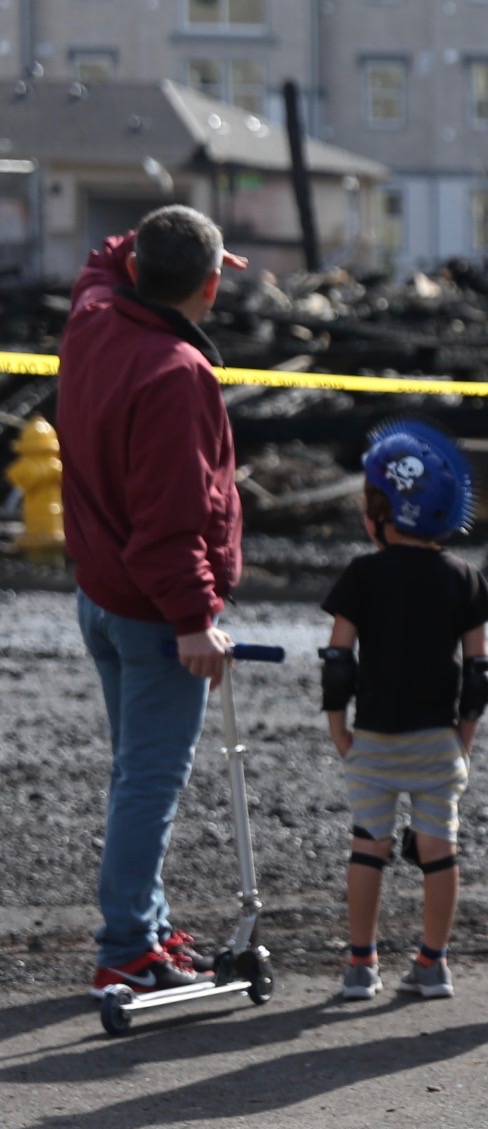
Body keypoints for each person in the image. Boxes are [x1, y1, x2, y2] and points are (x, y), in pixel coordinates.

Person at [56, 206, 248, 997]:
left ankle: (145, 923)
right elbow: (170, 523)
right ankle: (129, 945)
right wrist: (195, 619)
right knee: (148, 783)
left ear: (135, 269)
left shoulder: (95, 314)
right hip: (148, 609)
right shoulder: (177, 372)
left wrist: (157, 244)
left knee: (134, 774)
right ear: (209, 286)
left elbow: (105, 258)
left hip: (101, 594)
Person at [321, 422, 488, 1001]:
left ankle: (359, 964)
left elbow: (338, 658)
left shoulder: (361, 575)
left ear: (381, 513)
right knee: (438, 849)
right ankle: (432, 963)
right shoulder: (465, 578)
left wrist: (337, 727)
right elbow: (479, 673)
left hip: (373, 736)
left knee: (367, 845)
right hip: (438, 739)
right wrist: (465, 735)